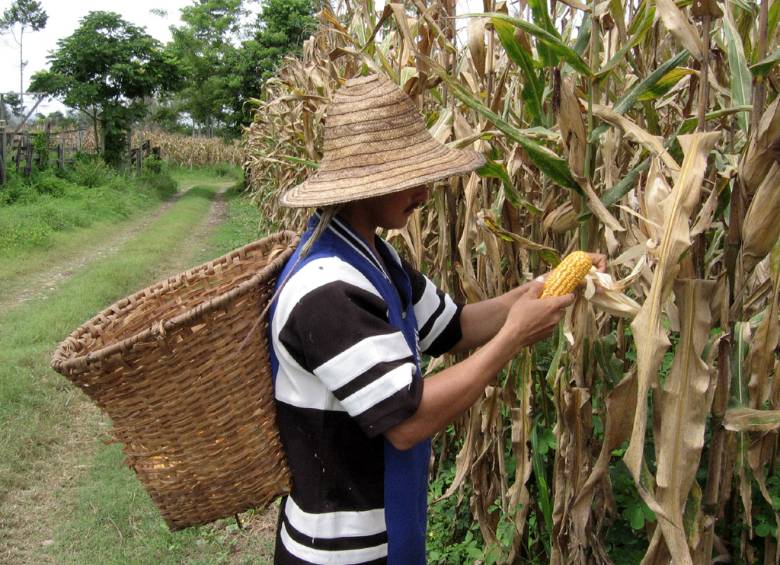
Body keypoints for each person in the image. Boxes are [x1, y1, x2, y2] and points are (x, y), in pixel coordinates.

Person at [268, 74, 605, 565]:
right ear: (369, 184)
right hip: (340, 553)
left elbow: (454, 327)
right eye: (413, 178)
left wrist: (546, 286)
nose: (425, 193)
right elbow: (406, 421)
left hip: (386, 532)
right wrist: (515, 335)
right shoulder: (327, 289)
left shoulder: (377, 259)